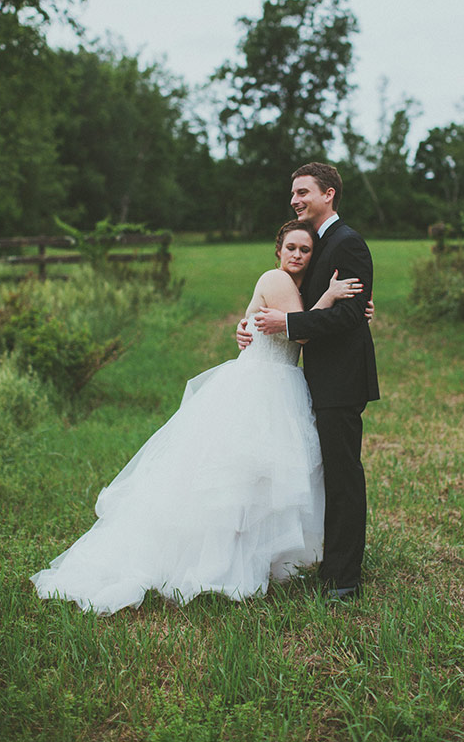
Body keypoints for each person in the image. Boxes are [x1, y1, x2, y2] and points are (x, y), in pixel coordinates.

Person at [31, 220, 362, 616]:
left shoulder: (296, 288)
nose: (297, 255)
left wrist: (346, 309)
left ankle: (253, 557)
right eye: (290, 247)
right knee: (238, 480)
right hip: (261, 386)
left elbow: (292, 320)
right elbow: (302, 333)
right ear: (278, 250)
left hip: (275, 382)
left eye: (305, 250)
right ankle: (216, 564)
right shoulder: (277, 279)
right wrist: (330, 297)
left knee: (257, 483)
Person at [237, 162, 379, 601]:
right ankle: (326, 563)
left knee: (342, 476)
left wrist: (290, 322)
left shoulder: (346, 241)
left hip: (341, 379)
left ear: (328, 194)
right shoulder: (318, 243)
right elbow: (296, 299)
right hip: (313, 378)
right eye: (293, 193)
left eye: (303, 192)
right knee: (325, 473)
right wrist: (250, 323)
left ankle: (343, 578)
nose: (295, 200)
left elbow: (350, 313)